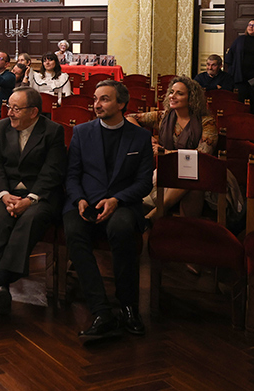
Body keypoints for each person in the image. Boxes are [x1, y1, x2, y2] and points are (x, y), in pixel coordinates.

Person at [63, 80, 153, 342]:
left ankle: (128, 307)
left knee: (121, 229)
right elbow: (72, 174)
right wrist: (79, 199)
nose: (97, 104)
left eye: (104, 99)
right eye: (95, 99)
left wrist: (116, 199)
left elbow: (144, 183)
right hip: (85, 201)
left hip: (122, 202)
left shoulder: (140, 137)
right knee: (74, 231)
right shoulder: (82, 132)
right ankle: (101, 311)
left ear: (122, 104)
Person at [0, 87, 66, 313]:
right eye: (9, 107)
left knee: (29, 219)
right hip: (7, 193)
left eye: (16, 109)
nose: (9, 113)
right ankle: (1, 287)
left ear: (33, 112)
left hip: (40, 195)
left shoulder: (52, 131)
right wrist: (4, 195)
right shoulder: (2, 127)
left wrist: (31, 199)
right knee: (0, 218)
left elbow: (52, 171)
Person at [125, 76, 217, 222]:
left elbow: (202, 155)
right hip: (170, 169)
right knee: (191, 186)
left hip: (201, 170)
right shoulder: (164, 117)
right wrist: (147, 138)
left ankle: (160, 212)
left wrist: (166, 153)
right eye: (172, 92)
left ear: (191, 99)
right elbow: (129, 118)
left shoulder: (206, 122)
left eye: (179, 93)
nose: (172, 96)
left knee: (193, 181)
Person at [225, 19, 254, 114]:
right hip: (241, 78)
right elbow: (230, 56)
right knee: (240, 103)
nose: (251, 27)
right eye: (249, 24)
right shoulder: (240, 39)